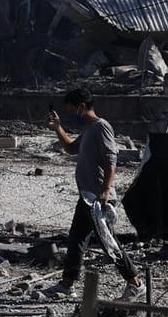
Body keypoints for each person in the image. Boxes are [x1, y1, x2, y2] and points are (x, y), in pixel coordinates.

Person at [46, 87, 142, 301]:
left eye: (73, 111)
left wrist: (106, 190)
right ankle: (66, 284)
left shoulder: (101, 127)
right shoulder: (88, 130)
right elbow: (71, 149)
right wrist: (58, 127)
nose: (72, 114)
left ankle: (135, 283)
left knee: (109, 243)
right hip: (87, 196)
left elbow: (111, 161)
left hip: (98, 197)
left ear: (82, 106)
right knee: (76, 239)